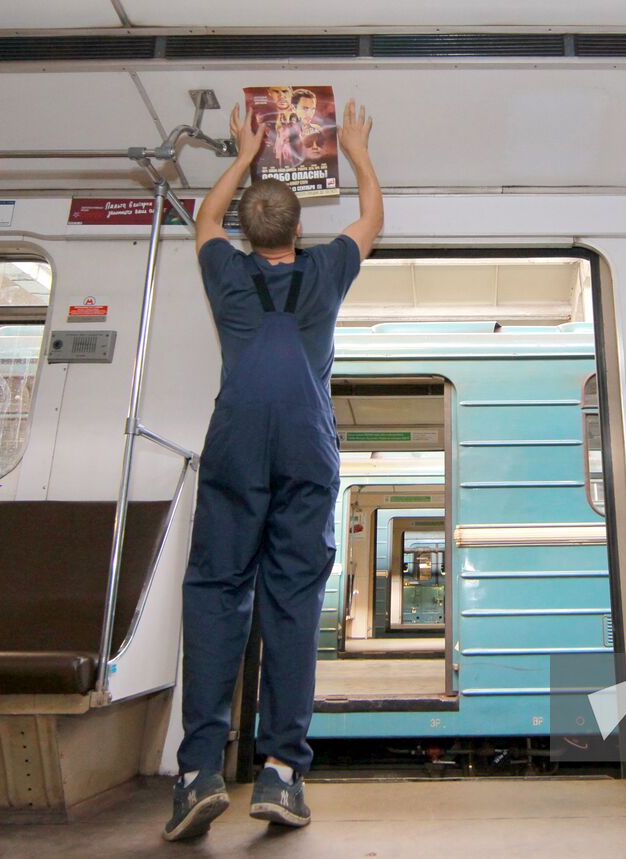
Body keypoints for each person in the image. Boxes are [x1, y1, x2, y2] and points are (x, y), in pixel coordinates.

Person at [163, 99, 382, 842]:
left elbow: (205, 217)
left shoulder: (224, 272)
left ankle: (197, 771)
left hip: (234, 446)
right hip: (306, 452)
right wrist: (353, 149)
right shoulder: (324, 271)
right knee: (290, 604)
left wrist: (242, 154)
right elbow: (373, 216)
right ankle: (282, 773)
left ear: (248, 236)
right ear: (297, 232)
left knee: (217, 593)